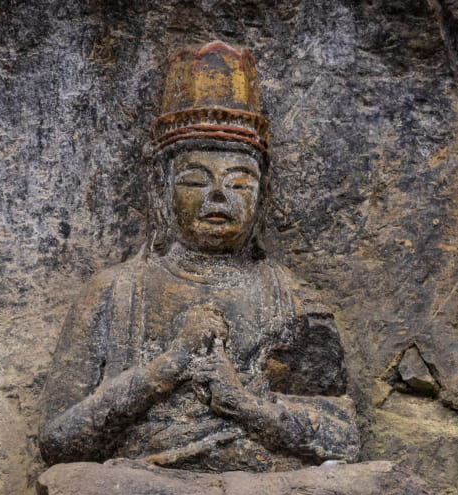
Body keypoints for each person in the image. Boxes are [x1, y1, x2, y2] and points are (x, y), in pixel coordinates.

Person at [39, 41, 359, 473]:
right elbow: (59, 440)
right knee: (81, 487)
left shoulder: (294, 299)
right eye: (195, 180)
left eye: (240, 182)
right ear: (161, 191)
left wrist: (244, 404)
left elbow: (344, 439)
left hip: (270, 489)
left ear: (262, 198)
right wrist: (165, 368)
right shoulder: (115, 292)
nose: (218, 197)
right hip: (143, 487)